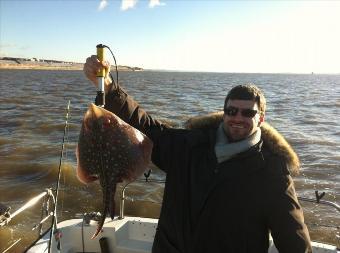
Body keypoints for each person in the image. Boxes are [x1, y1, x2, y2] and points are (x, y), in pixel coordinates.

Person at [83, 55, 312, 253]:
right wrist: (109, 87)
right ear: (224, 113)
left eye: (247, 113)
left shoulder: (271, 171)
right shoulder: (190, 146)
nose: (238, 118)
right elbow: (149, 127)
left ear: (260, 118)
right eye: (231, 111)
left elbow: (292, 235)